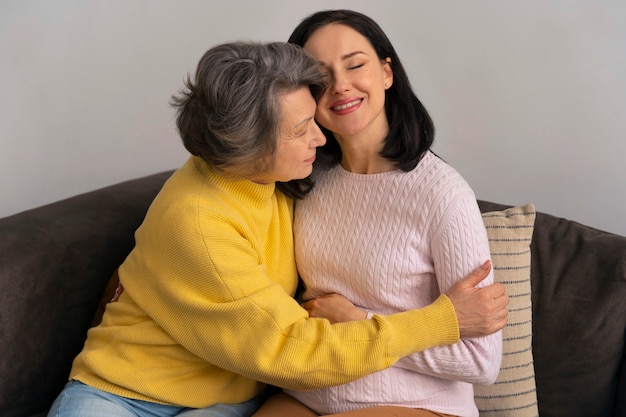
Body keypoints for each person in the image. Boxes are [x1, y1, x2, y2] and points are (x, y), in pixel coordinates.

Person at [47, 40, 506, 417]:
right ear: (252, 148)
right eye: (302, 129)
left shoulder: (273, 177)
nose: (321, 138)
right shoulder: (202, 220)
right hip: (125, 395)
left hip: (226, 397)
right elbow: (294, 350)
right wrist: (440, 321)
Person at [251, 9, 503, 417]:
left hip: (416, 404)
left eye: (355, 65)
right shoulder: (304, 179)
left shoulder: (442, 194)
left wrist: (360, 323)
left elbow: (481, 360)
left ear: (386, 73)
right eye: (320, 77)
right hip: (311, 392)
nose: (340, 86)